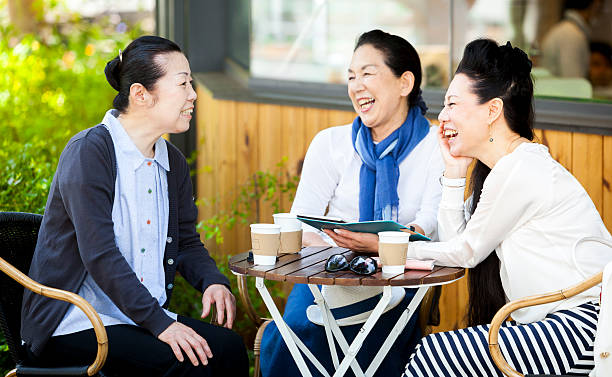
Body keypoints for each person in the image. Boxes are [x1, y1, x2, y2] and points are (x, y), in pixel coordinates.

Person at [20, 36, 249, 377]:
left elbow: (185, 242)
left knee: (229, 349)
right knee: (192, 362)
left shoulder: (172, 161)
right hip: (75, 323)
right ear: (141, 94)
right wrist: (161, 324)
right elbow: (100, 255)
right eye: (183, 83)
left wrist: (212, 281)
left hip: (135, 317)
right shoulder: (89, 152)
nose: (193, 95)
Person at [402, 39, 611, 376]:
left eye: (453, 103)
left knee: (434, 354)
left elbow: (465, 252)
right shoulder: (505, 170)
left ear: (492, 110)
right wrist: (455, 174)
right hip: (556, 326)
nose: (443, 116)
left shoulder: (522, 167)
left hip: (588, 329)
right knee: (437, 354)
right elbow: (461, 245)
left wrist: (396, 253)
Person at [260, 29, 444, 377]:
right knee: (296, 334)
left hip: (394, 281)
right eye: (351, 76)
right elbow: (300, 223)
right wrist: (345, 252)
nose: (356, 85)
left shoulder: (436, 146)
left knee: (378, 346)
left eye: (368, 73)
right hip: (327, 273)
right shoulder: (330, 143)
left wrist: (376, 248)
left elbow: (429, 226)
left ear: (405, 83)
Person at [540, 0, 602, 78]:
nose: (600, 13)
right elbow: (573, 81)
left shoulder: (568, 30)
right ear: (595, 5)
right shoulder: (571, 35)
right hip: (560, 89)